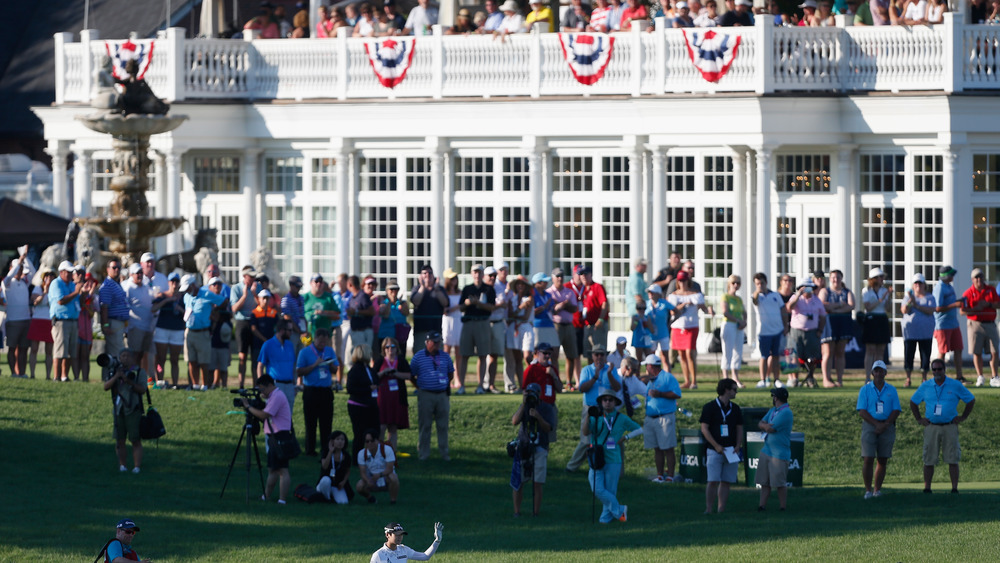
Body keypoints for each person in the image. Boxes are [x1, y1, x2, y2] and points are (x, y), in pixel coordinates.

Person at [909, 358, 976, 494]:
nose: (937, 372)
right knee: (929, 459)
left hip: (949, 426)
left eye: (939, 369)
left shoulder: (955, 385)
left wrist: (963, 417)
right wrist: (919, 419)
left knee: (953, 458)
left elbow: (970, 399)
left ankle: (954, 488)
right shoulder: (926, 385)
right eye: (934, 369)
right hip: (931, 426)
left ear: (944, 369)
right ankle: (927, 488)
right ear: (931, 371)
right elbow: (913, 402)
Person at [584, 388, 642, 523]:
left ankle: (605, 519)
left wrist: (625, 437)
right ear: (601, 402)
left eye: (611, 400)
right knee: (596, 488)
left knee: (610, 490)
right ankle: (620, 510)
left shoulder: (621, 418)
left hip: (613, 458)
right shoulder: (596, 417)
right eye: (605, 400)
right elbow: (586, 432)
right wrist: (588, 416)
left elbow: (639, 429)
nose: (608, 403)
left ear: (615, 402)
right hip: (596, 457)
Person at [566, 346, 621, 472]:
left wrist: (609, 375)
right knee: (586, 440)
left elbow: (617, 388)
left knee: (609, 439)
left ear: (605, 356)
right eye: (597, 355)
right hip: (591, 408)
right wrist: (595, 377)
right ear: (592, 356)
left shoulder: (611, 370)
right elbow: (582, 388)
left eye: (602, 355)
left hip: (607, 409)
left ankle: (607, 467)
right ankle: (571, 467)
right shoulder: (587, 370)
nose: (599, 357)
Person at [241, 373, 292, 503]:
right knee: (273, 469)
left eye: (262, 389)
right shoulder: (273, 396)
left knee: (282, 470)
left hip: (280, 436)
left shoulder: (277, 396)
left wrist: (248, 407)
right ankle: (266, 496)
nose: (261, 392)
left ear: (269, 385)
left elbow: (264, 415)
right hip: (275, 436)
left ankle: (282, 500)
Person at [857, 360, 900, 499]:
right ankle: (868, 490)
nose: (879, 373)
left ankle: (877, 490)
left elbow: (896, 410)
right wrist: (876, 424)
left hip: (887, 426)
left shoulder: (891, 389)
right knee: (868, 458)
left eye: (881, 371)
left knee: (883, 459)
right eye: (876, 371)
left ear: (885, 373)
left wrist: (885, 424)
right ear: (872, 373)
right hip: (870, 425)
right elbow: (862, 411)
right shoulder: (865, 389)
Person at [511, 383, 556, 517]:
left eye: (533, 392)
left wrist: (538, 416)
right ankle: (517, 512)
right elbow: (514, 421)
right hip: (524, 446)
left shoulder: (546, 408)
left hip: (540, 446)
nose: (531, 395)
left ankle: (535, 513)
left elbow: (548, 428)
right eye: (528, 392)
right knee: (519, 482)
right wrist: (524, 404)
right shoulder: (524, 406)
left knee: (538, 482)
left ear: (539, 393)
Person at [700, 378, 743, 513]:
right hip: (714, 450)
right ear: (726, 390)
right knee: (712, 480)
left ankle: (721, 509)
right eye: (734, 390)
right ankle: (708, 509)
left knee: (726, 481)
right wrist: (716, 445)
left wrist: (738, 445)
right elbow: (704, 429)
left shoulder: (735, 408)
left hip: (731, 450)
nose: (736, 392)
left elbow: (739, 428)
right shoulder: (709, 407)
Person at [410, 332, 454, 461]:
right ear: (427, 343)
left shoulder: (445, 357)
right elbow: (411, 375)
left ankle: (444, 453)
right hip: (425, 394)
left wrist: (444, 383)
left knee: (443, 425)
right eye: (434, 342)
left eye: (439, 342)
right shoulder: (418, 357)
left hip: (442, 395)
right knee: (425, 425)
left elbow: (450, 374)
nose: (437, 345)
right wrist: (420, 387)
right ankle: (423, 454)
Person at [103, 348, 147, 473]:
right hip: (118, 410)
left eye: (127, 356)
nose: (125, 358)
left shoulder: (139, 372)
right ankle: (122, 466)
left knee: (135, 439)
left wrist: (129, 381)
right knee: (119, 440)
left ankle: (137, 466)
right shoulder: (114, 371)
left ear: (133, 358)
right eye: (122, 356)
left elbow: (143, 389)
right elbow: (106, 387)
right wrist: (117, 376)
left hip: (133, 409)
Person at [297, 328, 339, 457]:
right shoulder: (305, 352)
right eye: (320, 342)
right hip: (311, 391)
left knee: (326, 422)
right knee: (311, 422)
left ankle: (326, 449)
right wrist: (315, 365)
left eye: (325, 342)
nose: (322, 344)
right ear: (315, 339)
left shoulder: (329, 351)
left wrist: (330, 365)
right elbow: (299, 371)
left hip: (326, 391)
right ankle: (310, 449)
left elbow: (335, 369)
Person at [639, 355, 681, 483]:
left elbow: (677, 394)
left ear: (650, 366)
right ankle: (659, 475)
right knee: (656, 448)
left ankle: (670, 476)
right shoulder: (651, 380)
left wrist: (660, 394)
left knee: (668, 448)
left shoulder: (667, 377)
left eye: (646, 366)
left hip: (664, 417)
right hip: (651, 418)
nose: (645, 368)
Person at [182, 274, 228, 390]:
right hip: (189, 331)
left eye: (188, 288)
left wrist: (214, 310)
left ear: (193, 285)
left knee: (204, 361)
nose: (186, 291)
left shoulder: (207, 294)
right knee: (191, 360)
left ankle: (205, 385)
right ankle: (195, 385)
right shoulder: (186, 296)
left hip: (203, 332)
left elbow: (224, 302)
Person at [667, 270, 709, 389]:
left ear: (688, 281)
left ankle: (694, 381)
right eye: (680, 280)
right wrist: (684, 304)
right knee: (682, 354)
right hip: (677, 326)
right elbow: (672, 310)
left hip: (691, 326)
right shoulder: (673, 295)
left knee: (690, 353)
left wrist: (708, 310)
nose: (682, 283)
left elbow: (703, 308)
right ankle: (686, 380)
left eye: (684, 280)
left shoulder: (696, 294)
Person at [459, 264, 496, 393]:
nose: (477, 275)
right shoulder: (467, 289)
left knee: (482, 354)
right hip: (468, 322)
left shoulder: (488, 289)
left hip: (483, 322)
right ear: (471, 274)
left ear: (482, 274)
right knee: (464, 355)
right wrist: (467, 303)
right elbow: (461, 307)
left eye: (479, 272)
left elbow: (492, 308)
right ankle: (461, 386)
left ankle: (480, 386)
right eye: (475, 272)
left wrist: (478, 303)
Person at [960, 268, 1000, 388]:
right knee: (976, 351)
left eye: (981, 277)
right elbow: (962, 311)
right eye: (976, 277)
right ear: (972, 280)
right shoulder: (968, 293)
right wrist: (976, 309)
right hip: (975, 323)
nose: (979, 279)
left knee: (994, 350)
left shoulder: (991, 290)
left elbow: (998, 304)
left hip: (990, 323)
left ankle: (994, 377)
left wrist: (987, 304)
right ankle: (980, 376)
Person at [757, 386, 793, 511]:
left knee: (779, 483)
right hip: (766, 450)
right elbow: (761, 423)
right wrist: (765, 425)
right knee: (764, 482)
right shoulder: (773, 410)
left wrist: (764, 426)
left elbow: (770, 428)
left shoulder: (786, 412)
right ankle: (762, 506)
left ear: (776, 398)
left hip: (779, 453)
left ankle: (782, 506)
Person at [786, 280, 826, 388]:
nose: (808, 290)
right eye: (805, 288)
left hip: (812, 332)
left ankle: (810, 378)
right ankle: (794, 379)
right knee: (794, 355)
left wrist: (820, 331)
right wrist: (798, 294)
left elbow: (823, 316)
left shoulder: (817, 300)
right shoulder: (795, 298)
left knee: (812, 357)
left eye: (810, 288)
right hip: (796, 331)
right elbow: (789, 308)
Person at [375, 337, 411, 453]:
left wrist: (396, 374)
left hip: (397, 398)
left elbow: (409, 375)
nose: (390, 349)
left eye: (393, 347)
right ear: (384, 349)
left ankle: (392, 454)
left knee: (393, 427)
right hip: (382, 399)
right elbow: (373, 376)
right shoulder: (380, 361)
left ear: (397, 348)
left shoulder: (401, 361)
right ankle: (379, 452)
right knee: (381, 427)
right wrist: (384, 372)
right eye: (387, 347)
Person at [49, 260, 84, 383]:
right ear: (62, 272)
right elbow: (61, 301)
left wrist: (81, 289)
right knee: (59, 351)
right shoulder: (56, 283)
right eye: (68, 272)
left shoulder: (71, 284)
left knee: (70, 351)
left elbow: (80, 301)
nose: (70, 274)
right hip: (61, 321)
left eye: (71, 272)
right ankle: (56, 376)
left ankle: (64, 376)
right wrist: (76, 291)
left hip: (73, 320)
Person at [752, 273, 788, 388]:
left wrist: (785, 325)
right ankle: (763, 380)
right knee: (764, 356)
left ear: (766, 282)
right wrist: (757, 291)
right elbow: (755, 301)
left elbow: (783, 310)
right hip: (764, 332)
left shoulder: (776, 295)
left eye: (762, 283)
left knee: (776, 356)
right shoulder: (756, 296)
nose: (760, 285)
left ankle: (777, 379)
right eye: (757, 283)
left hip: (777, 330)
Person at [821, 269, 856, 387]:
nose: (836, 280)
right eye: (833, 277)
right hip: (829, 324)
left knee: (840, 352)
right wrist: (840, 305)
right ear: (830, 279)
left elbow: (851, 305)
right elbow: (822, 304)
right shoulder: (825, 291)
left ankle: (839, 380)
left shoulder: (847, 292)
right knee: (828, 352)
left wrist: (834, 309)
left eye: (838, 277)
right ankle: (826, 380)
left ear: (842, 278)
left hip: (843, 323)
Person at [522, 342, 562, 442]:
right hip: (536, 407)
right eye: (545, 353)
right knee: (532, 437)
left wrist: (554, 376)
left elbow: (560, 389)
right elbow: (524, 389)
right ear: (537, 353)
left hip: (550, 407)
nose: (547, 356)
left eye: (549, 353)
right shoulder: (531, 369)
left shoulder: (552, 369)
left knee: (548, 437)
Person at [901, 273, 936, 387]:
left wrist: (916, 305)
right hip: (910, 333)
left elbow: (931, 310)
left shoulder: (930, 297)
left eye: (920, 283)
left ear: (924, 285)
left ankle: (924, 378)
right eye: (916, 283)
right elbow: (904, 310)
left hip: (925, 332)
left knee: (925, 355)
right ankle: (908, 378)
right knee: (909, 355)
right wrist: (910, 302)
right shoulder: (907, 298)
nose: (918, 286)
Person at [3, 251, 34, 377]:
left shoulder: (25, 282)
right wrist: (19, 261)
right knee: (12, 348)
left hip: (26, 320)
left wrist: (24, 256)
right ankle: (13, 373)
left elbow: (32, 271)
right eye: (18, 268)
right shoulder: (7, 283)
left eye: (21, 269)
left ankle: (22, 373)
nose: (20, 271)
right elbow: (9, 276)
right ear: (12, 268)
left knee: (23, 348)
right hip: (12, 321)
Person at [346, 343, 380, 459]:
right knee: (360, 433)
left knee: (374, 431)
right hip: (358, 406)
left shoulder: (369, 369)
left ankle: (373, 456)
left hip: (371, 405)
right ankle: (357, 458)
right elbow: (350, 389)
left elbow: (376, 380)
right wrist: (367, 389)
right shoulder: (355, 370)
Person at [152, 273, 185, 389]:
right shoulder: (162, 295)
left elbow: (188, 315)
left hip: (177, 330)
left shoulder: (183, 297)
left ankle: (175, 383)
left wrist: (180, 309)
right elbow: (153, 308)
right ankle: (160, 382)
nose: (174, 284)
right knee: (161, 358)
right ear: (168, 283)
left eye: (176, 282)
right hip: (162, 328)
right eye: (172, 282)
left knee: (174, 359)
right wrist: (166, 301)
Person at [548, 267, 579, 388]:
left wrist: (562, 305)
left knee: (571, 355)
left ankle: (569, 382)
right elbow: (552, 310)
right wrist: (562, 304)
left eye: (561, 276)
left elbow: (574, 309)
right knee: (554, 355)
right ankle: (556, 381)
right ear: (553, 278)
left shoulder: (569, 292)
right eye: (557, 276)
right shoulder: (549, 292)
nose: (560, 278)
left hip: (569, 325)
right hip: (556, 326)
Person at [933, 265, 965, 383]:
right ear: (946, 276)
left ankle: (959, 376)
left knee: (958, 349)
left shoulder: (949, 287)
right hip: (942, 325)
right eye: (951, 275)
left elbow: (950, 303)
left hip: (953, 324)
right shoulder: (939, 288)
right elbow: (937, 308)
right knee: (942, 351)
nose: (953, 277)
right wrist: (954, 305)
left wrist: (958, 302)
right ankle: (937, 377)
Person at [231, 266, 260, 388]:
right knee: (242, 356)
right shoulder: (236, 288)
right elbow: (234, 308)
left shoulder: (258, 287)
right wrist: (244, 295)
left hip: (255, 322)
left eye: (254, 276)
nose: (253, 278)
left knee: (255, 357)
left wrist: (253, 293)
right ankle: (241, 385)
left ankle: (256, 385)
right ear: (244, 276)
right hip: (242, 323)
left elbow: (262, 305)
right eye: (251, 276)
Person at [861, 267, 892, 380]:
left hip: (882, 319)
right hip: (871, 319)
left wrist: (888, 298)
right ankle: (867, 376)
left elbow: (887, 308)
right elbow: (868, 307)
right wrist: (881, 299)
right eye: (880, 277)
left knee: (880, 350)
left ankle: (878, 376)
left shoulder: (884, 291)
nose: (882, 279)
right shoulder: (866, 291)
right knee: (870, 349)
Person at [411, 265, 448, 355]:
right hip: (420, 331)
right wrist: (423, 287)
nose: (428, 275)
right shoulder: (416, 289)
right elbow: (416, 301)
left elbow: (445, 303)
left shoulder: (440, 289)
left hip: (436, 330)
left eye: (430, 273)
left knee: (437, 358)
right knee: (420, 357)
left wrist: (437, 289)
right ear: (421, 276)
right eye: (425, 273)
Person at [356, 428, 399, 504]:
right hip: (372, 477)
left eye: (372, 441)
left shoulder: (387, 449)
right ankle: (370, 498)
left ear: (377, 440)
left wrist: (380, 475)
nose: (370, 443)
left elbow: (390, 469)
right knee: (359, 486)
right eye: (367, 441)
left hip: (385, 475)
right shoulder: (362, 453)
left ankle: (393, 500)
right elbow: (362, 472)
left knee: (394, 478)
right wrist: (367, 480)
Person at [719, 274, 747, 387]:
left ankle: (735, 377)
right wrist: (738, 320)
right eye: (733, 283)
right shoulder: (725, 297)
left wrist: (744, 321)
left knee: (738, 352)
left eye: (738, 283)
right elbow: (725, 312)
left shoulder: (739, 299)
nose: (736, 285)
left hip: (738, 327)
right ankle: (725, 377)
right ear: (729, 284)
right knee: (727, 351)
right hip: (729, 325)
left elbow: (744, 312)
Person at [28, 268, 56, 380]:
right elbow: (35, 302)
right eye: (47, 276)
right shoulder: (38, 288)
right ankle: (32, 374)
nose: (49, 278)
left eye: (51, 276)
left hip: (50, 320)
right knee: (34, 349)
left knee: (49, 351)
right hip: (38, 319)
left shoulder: (55, 289)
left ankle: (48, 376)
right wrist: (44, 291)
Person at [370, 522, 443, 563]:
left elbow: (425, 556)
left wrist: (437, 540)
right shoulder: (378, 555)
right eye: (397, 534)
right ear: (387, 535)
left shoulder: (404, 550)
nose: (400, 537)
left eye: (401, 534)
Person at [441, 268, 464, 388]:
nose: (454, 280)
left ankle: (457, 379)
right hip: (448, 323)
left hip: (458, 322)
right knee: (447, 352)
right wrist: (454, 308)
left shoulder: (460, 292)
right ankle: (447, 378)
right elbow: (444, 310)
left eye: (455, 278)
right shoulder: (444, 293)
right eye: (451, 278)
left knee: (459, 353)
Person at [317, 430, 354, 504]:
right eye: (337, 439)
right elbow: (324, 466)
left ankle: (331, 496)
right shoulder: (326, 453)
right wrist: (330, 452)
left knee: (343, 502)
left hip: (337, 485)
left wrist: (344, 481)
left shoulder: (346, 456)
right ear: (332, 441)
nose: (340, 442)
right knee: (326, 480)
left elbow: (348, 470)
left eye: (342, 439)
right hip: (325, 482)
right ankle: (327, 498)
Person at [645, 284, 674, 371]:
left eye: (652, 292)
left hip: (663, 333)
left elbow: (677, 311)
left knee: (665, 357)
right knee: (650, 357)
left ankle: (667, 378)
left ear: (658, 293)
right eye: (649, 292)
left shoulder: (664, 303)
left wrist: (671, 323)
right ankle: (649, 377)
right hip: (651, 334)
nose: (650, 294)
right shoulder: (647, 304)